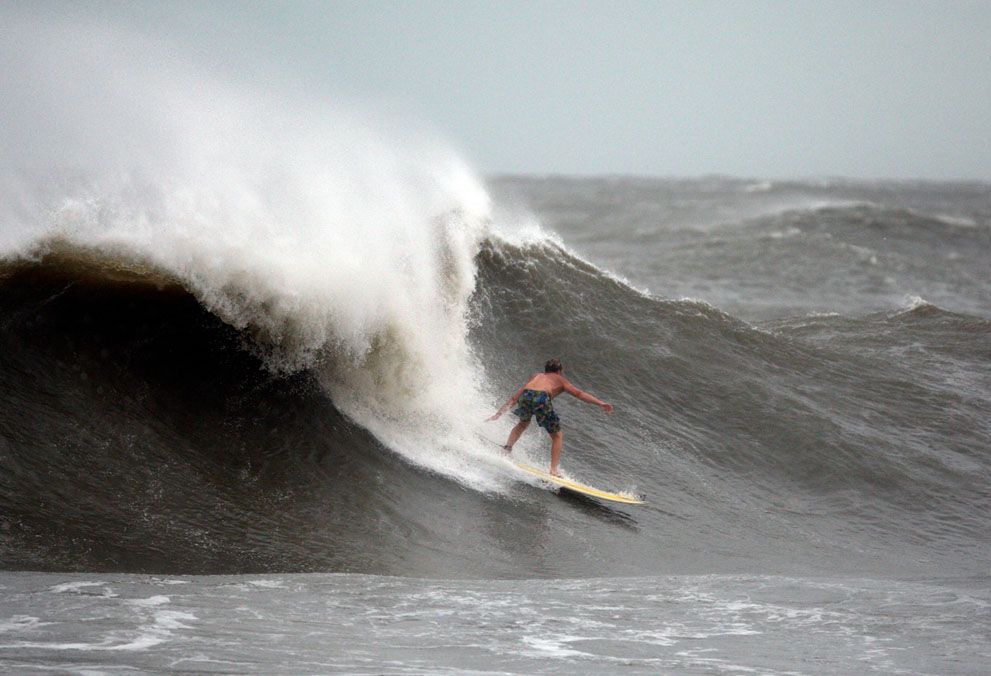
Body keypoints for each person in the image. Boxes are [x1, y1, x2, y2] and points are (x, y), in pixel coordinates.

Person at [487, 358, 613, 477]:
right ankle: (553, 470)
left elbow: (515, 397)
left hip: (526, 395)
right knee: (557, 436)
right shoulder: (560, 379)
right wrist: (600, 403)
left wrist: (498, 414)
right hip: (541, 398)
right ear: (559, 371)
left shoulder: (536, 376)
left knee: (522, 423)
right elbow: (579, 394)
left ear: (546, 369)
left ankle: (507, 448)